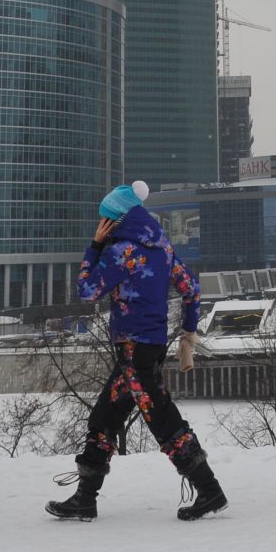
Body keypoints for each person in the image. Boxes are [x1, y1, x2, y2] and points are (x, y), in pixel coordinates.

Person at [46, 180, 228, 523]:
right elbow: (191, 288)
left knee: (162, 420)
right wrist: (188, 332)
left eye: (103, 220)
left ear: (114, 220)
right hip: (152, 345)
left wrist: (95, 245)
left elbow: (87, 290)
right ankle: (85, 499)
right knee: (105, 416)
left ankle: (209, 490)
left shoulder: (121, 250)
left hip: (133, 348)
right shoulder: (162, 247)